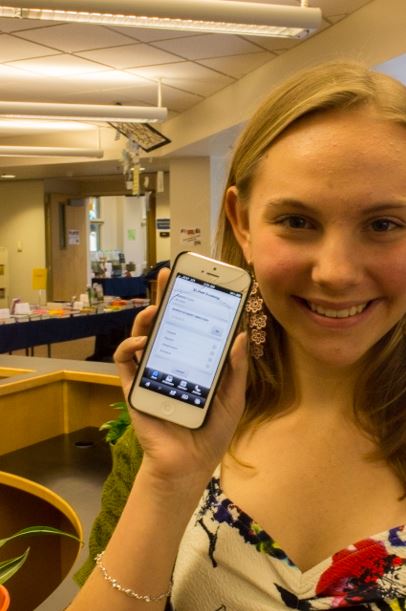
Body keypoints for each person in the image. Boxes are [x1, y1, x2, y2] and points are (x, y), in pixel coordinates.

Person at [69, 60, 406, 610]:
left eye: (385, 224)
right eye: (298, 221)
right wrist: (168, 480)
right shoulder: (175, 428)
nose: (337, 272)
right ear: (242, 223)